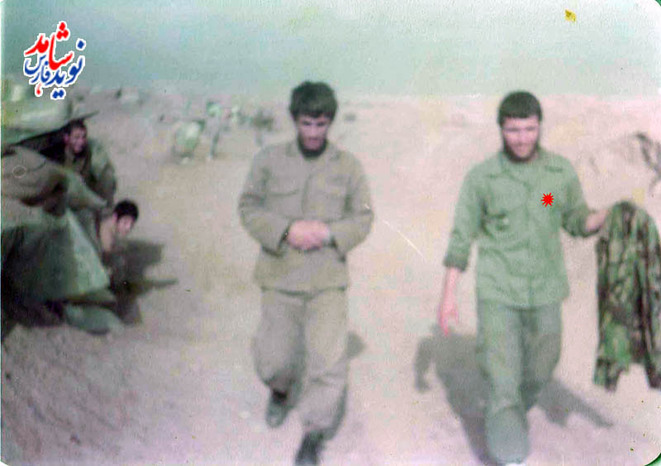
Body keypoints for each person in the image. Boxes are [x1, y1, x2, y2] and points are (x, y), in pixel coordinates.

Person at [437, 91, 609, 466]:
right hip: (498, 291)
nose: (521, 138)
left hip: (545, 290)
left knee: (542, 365)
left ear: (539, 127)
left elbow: (573, 216)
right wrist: (448, 295)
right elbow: (461, 238)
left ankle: (509, 413)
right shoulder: (482, 178)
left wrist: (603, 218)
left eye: (529, 129)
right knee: (503, 379)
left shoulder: (557, 175)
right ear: (501, 129)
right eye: (513, 130)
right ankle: (510, 452)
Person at [238, 81, 374, 465]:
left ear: (331, 122)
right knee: (275, 360)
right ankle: (280, 390)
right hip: (279, 276)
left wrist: (330, 233)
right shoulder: (268, 161)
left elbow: (363, 217)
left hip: (327, 280)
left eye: (321, 124)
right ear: (294, 120)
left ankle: (314, 432)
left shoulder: (348, 167)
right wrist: (286, 230)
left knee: (327, 363)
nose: (314, 132)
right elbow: (248, 207)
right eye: (306, 123)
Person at [42, 118, 117, 206]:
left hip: (86, 194)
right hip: (66, 199)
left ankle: (107, 208)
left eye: (84, 137)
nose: (81, 142)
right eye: (76, 137)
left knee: (108, 175)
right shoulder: (57, 156)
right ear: (66, 138)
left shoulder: (89, 150)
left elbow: (101, 167)